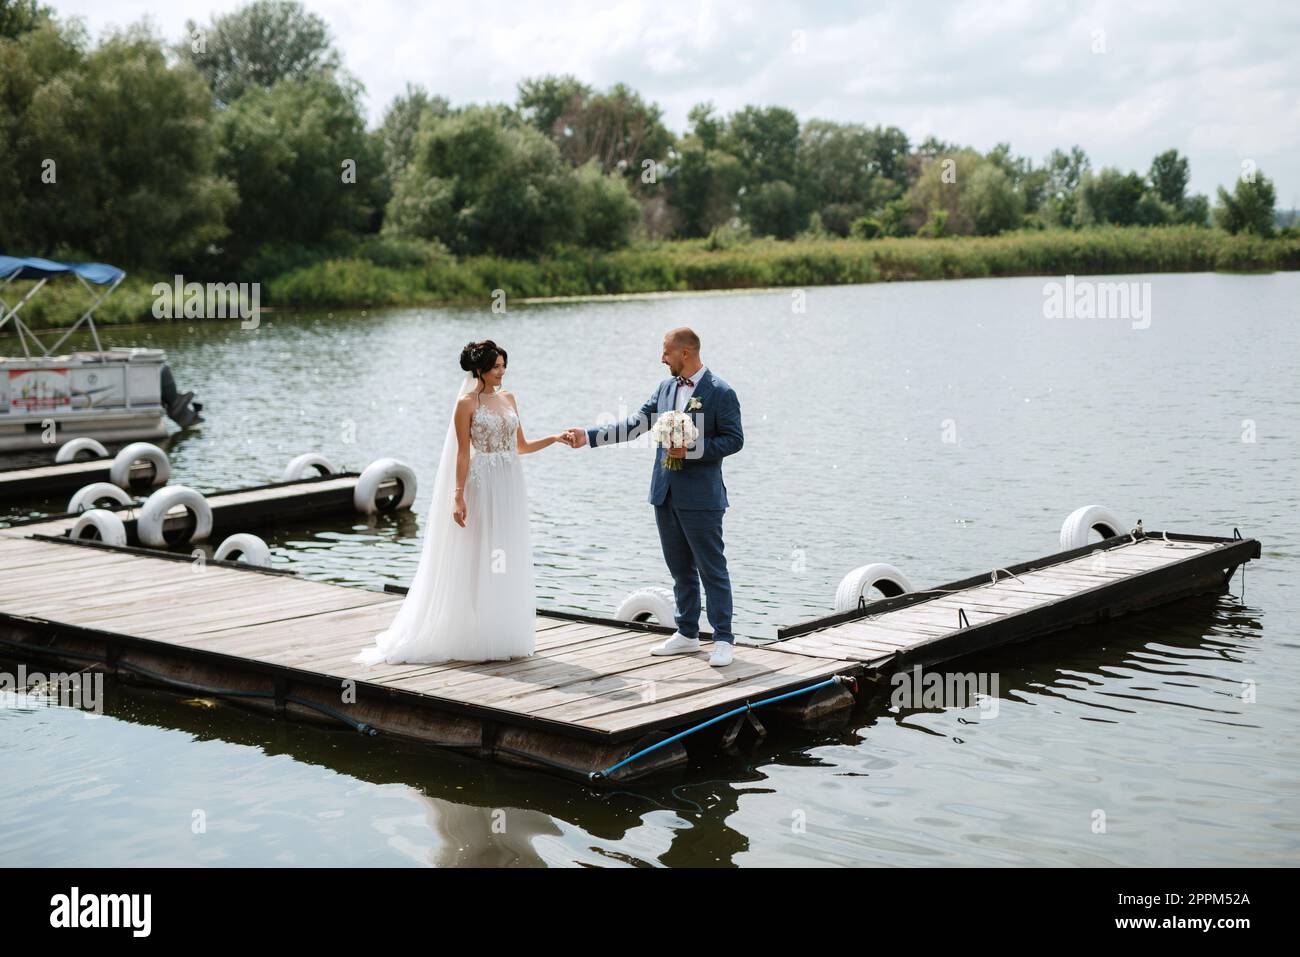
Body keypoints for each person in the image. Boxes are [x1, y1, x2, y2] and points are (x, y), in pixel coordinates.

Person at [354, 340, 572, 665]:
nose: (502, 372)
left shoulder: (509, 398)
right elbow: (462, 452)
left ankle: (503, 631)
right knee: (478, 553)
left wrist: (554, 438)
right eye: (496, 366)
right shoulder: (466, 403)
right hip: (481, 483)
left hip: (509, 482)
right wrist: (458, 495)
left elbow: (521, 446)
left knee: (506, 553)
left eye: (503, 365)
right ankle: (471, 633)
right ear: (480, 369)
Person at [563, 327, 744, 666]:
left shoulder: (721, 392)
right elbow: (635, 424)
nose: (662, 358)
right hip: (665, 492)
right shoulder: (665, 388)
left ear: (685, 353)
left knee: (712, 569)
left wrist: (692, 448)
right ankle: (688, 633)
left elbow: (734, 440)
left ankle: (722, 638)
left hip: (702, 497)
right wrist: (586, 436)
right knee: (679, 569)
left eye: (666, 352)